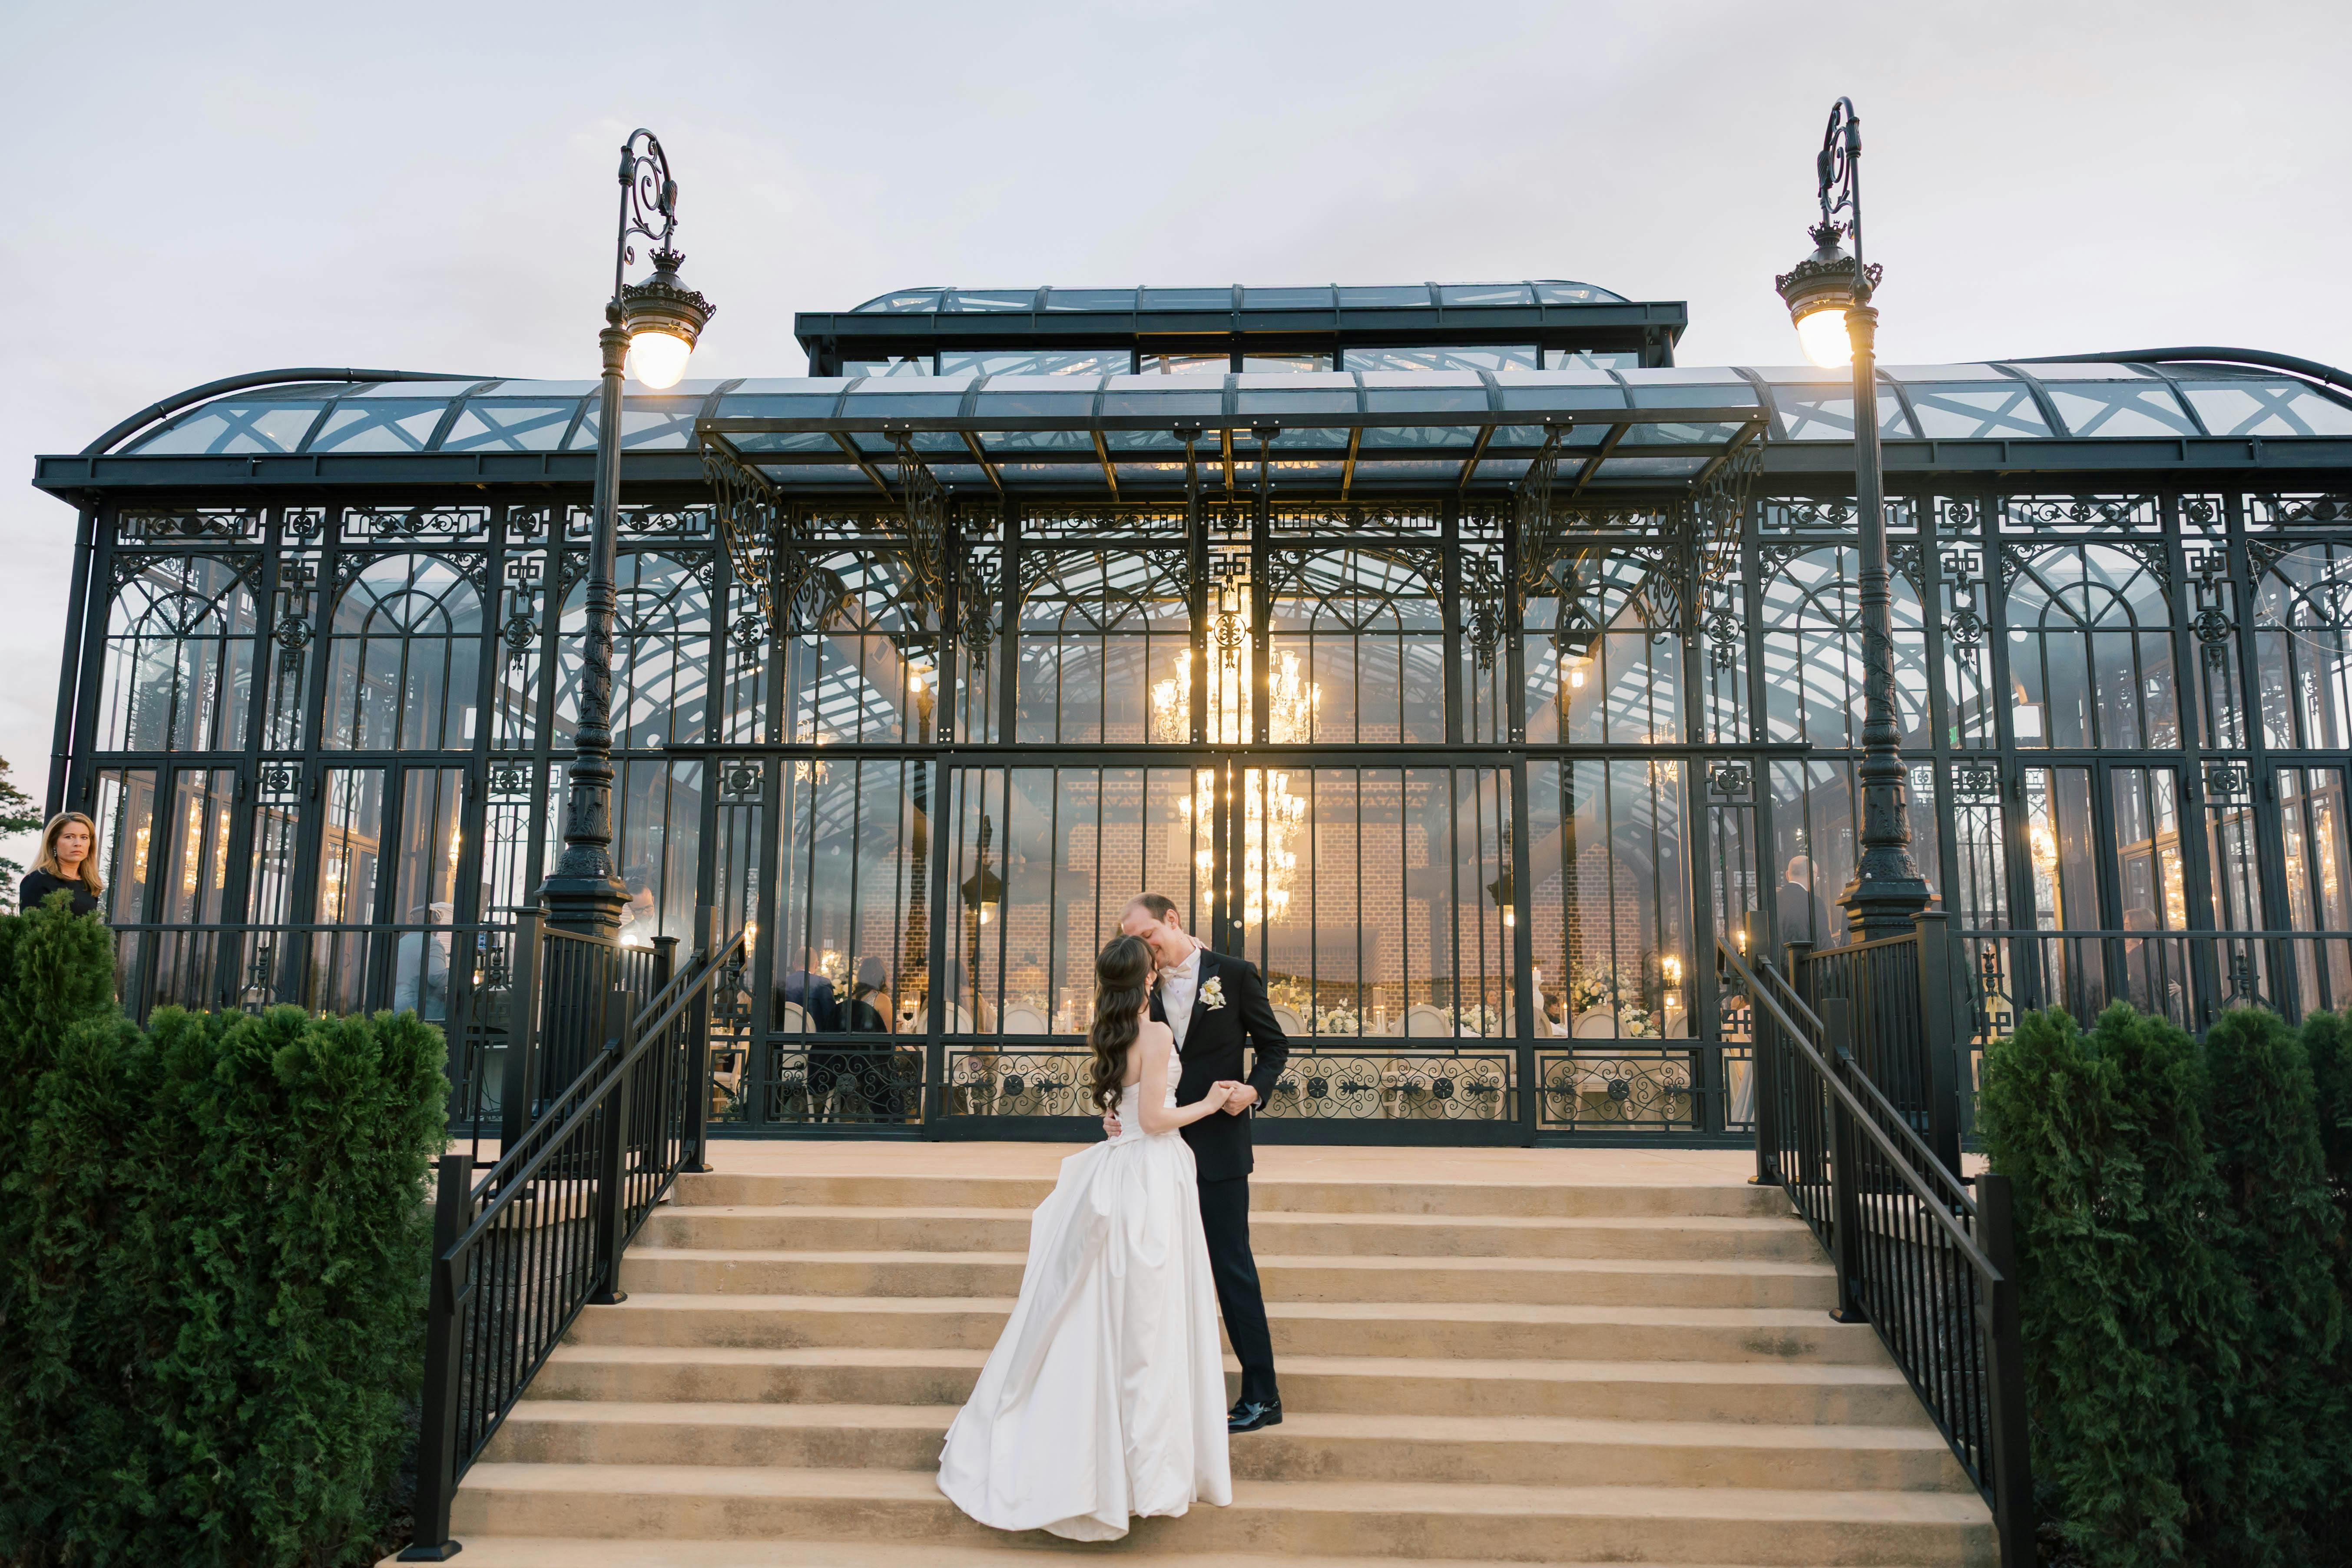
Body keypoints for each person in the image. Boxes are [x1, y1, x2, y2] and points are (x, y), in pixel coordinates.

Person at [937, 934, 1236, 1540]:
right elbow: (1153, 1119)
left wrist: (1121, 1115)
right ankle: (1140, 1471)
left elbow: (1122, 1108)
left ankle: (1113, 1463)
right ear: (1147, 978)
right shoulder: (1151, 1035)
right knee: (1148, 1319)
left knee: (1108, 1309)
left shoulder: (1111, 1032)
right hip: (1150, 1173)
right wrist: (1209, 1102)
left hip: (1120, 1166)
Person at [1108, 892, 1289, 1435]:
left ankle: (1262, 1395)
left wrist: (1251, 1092)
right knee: (1157, 1274)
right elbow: (1122, 1059)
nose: (1144, 951)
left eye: (1147, 937)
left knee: (1231, 1269)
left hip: (1218, 1149)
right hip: (1155, 1152)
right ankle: (1168, 1394)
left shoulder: (1234, 974)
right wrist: (1114, 1112)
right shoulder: (1141, 987)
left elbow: (1274, 1047)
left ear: (1172, 920)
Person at [20, 811, 103, 916]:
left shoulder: (90, 884)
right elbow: (31, 929)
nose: (78, 844)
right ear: (53, 842)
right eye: (69, 837)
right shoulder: (38, 880)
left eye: (84, 838)